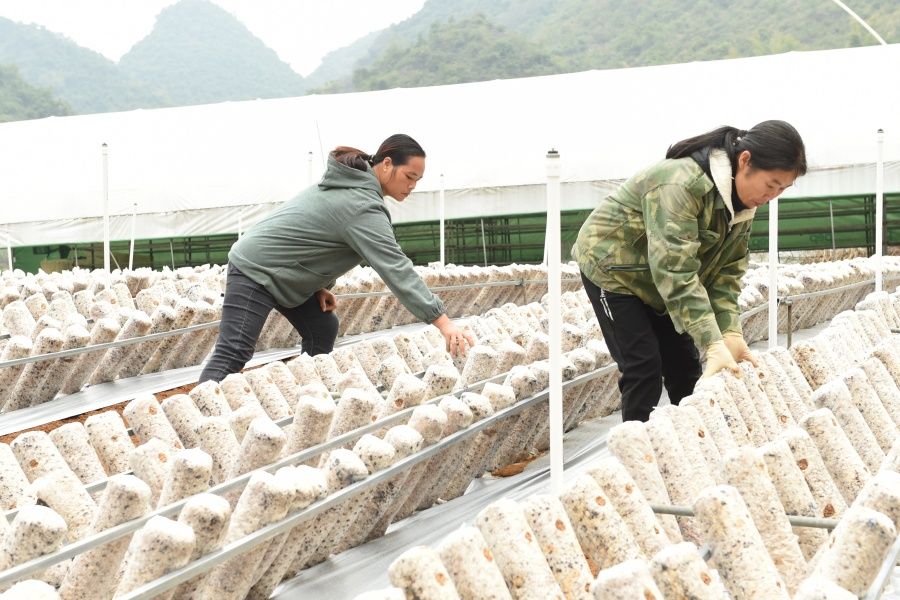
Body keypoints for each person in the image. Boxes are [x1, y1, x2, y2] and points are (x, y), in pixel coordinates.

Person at [572, 120, 806, 422]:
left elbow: (726, 274)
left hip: (659, 279)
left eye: (782, 189)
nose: (772, 195)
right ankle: (638, 453)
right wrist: (711, 341)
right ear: (745, 160)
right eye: (771, 184)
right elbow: (674, 269)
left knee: (685, 367)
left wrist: (729, 332)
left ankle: (698, 443)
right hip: (615, 270)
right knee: (643, 367)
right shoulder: (681, 183)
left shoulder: (742, 206)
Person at [199, 133, 474, 383]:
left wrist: (319, 286)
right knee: (234, 350)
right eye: (409, 176)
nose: (413, 186)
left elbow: (317, 237)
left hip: (283, 271)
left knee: (322, 326)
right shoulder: (361, 204)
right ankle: (199, 424)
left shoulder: (353, 190)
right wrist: (443, 322)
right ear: (387, 164)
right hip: (256, 269)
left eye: (418, 180)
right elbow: (396, 268)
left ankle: (306, 390)